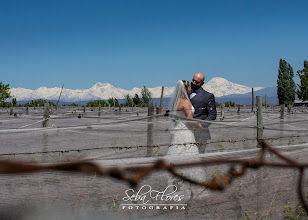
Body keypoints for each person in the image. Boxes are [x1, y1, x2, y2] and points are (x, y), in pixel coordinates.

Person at [166, 80, 209, 199]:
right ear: (186, 88)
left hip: (177, 133)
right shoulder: (185, 101)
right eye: (189, 86)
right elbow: (189, 120)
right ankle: (193, 189)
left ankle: (176, 188)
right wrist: (200, 126)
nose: (191, 88)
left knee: (177, 158)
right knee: (190, 159)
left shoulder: (176, 101)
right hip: (185, 133)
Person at [190, 72, 217, 153]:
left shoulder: (208, 96)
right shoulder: (185, 93)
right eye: (193, 80)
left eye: (197, 82)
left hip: (200, 133)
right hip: (185, 131)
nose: (193, 83)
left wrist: (201, 125)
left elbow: (212, 114)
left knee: (198, 157)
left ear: (202, 83)